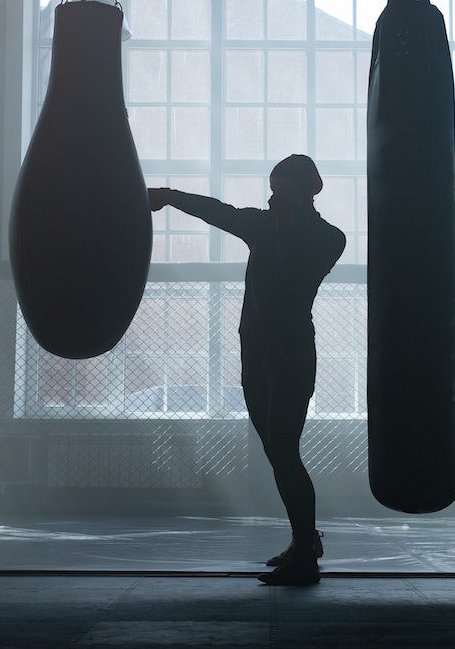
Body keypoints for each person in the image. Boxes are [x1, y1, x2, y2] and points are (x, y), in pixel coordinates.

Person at [148, 154, 346, 586]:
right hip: (255, 350)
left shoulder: (328, 238)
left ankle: (306, 554)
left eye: (284, 189)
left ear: (308, 191)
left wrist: (284, 228)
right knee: (277, 452)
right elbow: (217, 211)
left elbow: (295, 275)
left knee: (285, 450)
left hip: (291, 352)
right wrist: (170, 196)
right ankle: (305, 540)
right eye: (273, 188)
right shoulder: (261, 226)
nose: (275, 196)